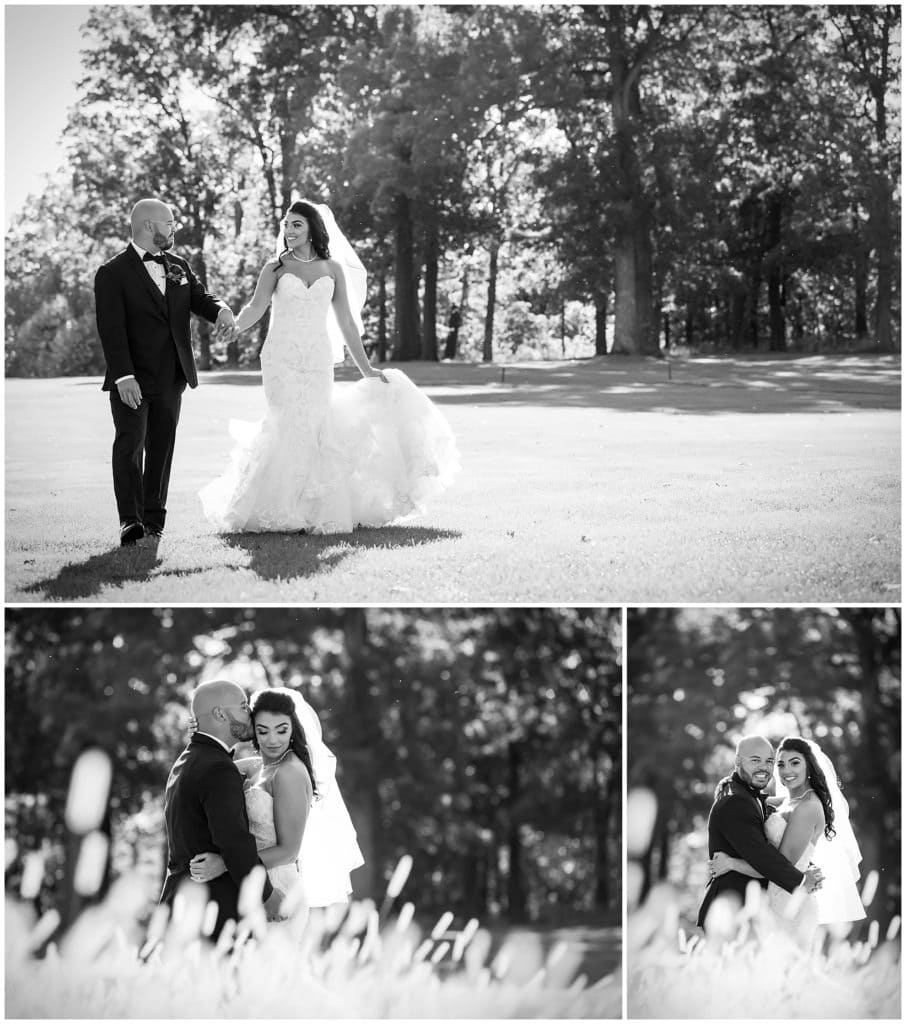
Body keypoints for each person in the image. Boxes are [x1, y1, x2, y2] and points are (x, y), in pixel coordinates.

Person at [199, 200, 459, 533]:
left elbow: (348, 323)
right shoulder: (275, 269)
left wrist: (366, 369)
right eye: (286, 225)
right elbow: (256, 307)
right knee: (286, 421)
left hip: (318, 359)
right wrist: (234, 325)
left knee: (315, 426)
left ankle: (311, 509)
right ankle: (275, 509)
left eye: (296, 225)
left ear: (312, 228)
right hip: (281, 358)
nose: (289, 231)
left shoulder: (332, 268)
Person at [94, 198, 236, 545]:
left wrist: (222, 310)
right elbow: (111, 329)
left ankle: (154, 521)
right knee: (130, 445)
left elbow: (201, 298)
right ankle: (130, 520)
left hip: (172, 375)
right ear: (148, 226)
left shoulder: (178, 266)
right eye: (169, 224)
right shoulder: (111, 273)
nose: (174, 229)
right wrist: (123, 376)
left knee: (161, 447)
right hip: (133, 379)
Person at [188, 686, 364, 914]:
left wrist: (224, 864)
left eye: (282, 730)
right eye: (263, 731)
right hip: (250, 882)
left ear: (294, 729)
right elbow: (212, 768)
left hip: (278, 889)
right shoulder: (259, 766)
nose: (272, 740)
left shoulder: (289, 772)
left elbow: (289, 851)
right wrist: (203, 733)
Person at [707, 736, 866, 942]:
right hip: (771, 899)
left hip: (787, 902)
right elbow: (750, 802)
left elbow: (779, 865)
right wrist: (729, 782)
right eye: (780, 764)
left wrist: (731, 863)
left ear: (809, 766)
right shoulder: (788, 802)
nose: (786, 770)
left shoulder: (807, 807)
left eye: (795, 763)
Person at [159, 681, 278, 940]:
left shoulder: (186, 760)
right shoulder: (217, 768)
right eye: (244, 707)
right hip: (214, 912)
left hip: (180, 904)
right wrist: (267, 895)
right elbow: (234, 840)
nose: (251, 714)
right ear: (220, 714)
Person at [696, 735, 824, 934]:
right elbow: (762, 857)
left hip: (754, 908)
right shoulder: (736, 802)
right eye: (755, 760)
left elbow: (781, 835)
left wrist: (806, 862)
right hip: (732, 909)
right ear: (738, 761)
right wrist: (801, 881)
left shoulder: (747, 794)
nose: (764, 767)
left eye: (769, 761)